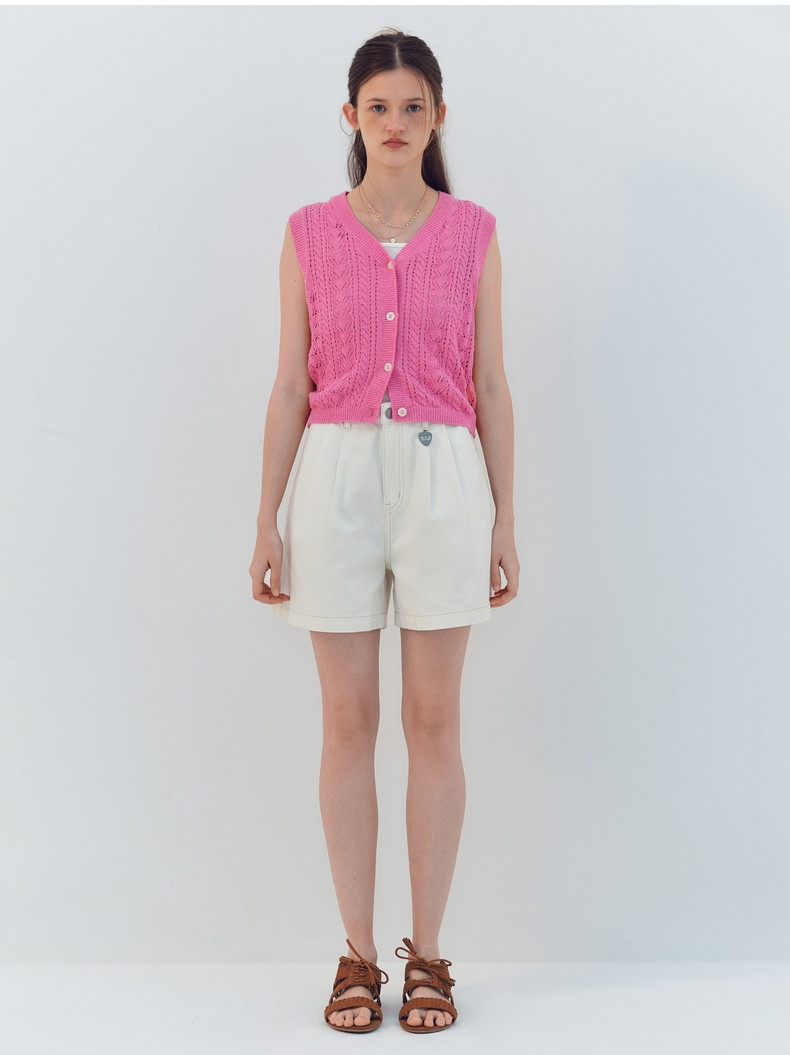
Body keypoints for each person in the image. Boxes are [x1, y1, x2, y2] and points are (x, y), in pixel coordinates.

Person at [249, 29, 519, 1034]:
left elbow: (491, 383)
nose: (396, 124)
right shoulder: (309, 232)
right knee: (347, 720)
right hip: (335, 477)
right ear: (351, 116)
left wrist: (505, 517)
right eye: (378, 107)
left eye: (413, 107)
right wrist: (267, 515)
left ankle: (430, 954)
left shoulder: (475, 232)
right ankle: (357, 954)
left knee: (435, 720)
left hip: (447, 477)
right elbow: (290, 382)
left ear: (438, 117)